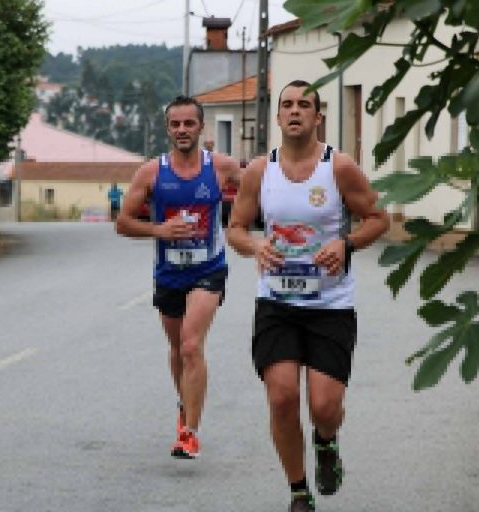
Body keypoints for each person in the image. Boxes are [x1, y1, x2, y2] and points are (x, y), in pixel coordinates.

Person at [226, 80, 390, 511]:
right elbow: (236, 229)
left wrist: (346, 244)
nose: (295, 111)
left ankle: (326, 441)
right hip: (276, 303)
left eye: (305, 105)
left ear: (318, 117)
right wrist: (256, 246)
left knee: (324, 406)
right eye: (287, 105)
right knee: (281, 397)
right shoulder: (261, 171)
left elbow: (378, 218)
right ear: (277, 116)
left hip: (330, 304)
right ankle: (299, 492)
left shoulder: (339, 168)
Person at [116, 95, 241, 459]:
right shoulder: (151, 172)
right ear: (168, 128)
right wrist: (159, 230)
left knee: (190, 345)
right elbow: (123, 222)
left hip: (209, 268)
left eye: (189, 123)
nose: (182, 130)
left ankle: (190, 432)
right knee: (176, 350)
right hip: (169, 272)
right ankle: (184, 407)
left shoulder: (220, 167)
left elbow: (261, 189)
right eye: (176, 124)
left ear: (201, 126)